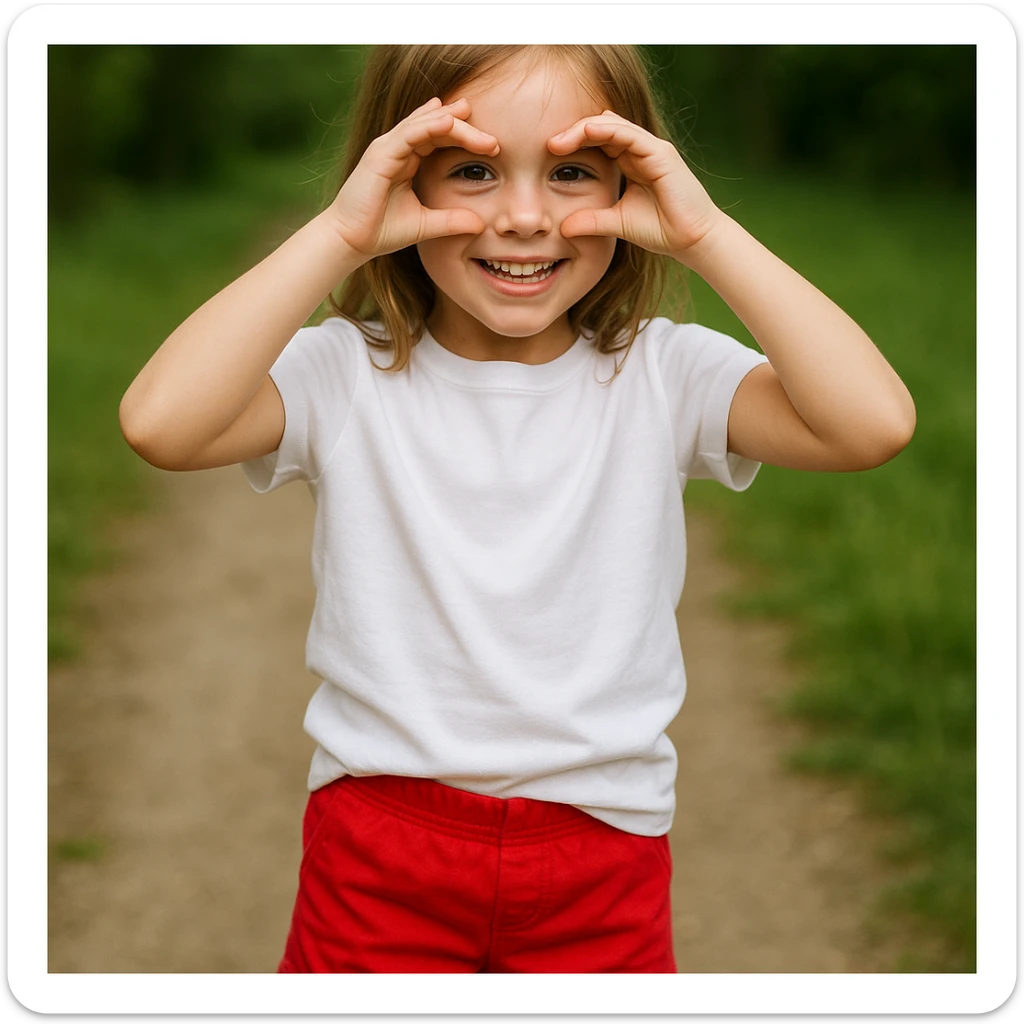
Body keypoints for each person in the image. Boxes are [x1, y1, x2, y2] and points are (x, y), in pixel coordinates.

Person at [118, 44, 915, 974]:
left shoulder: (661, 372)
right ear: (398, 175)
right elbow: (161, 424)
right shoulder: (344, 372)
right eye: (473, 171)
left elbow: (873, 424)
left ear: (635, 178)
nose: (526, 217)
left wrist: (706, 235)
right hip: (380, 842)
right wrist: (340, 234)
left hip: (603, 846)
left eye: (573, 172)